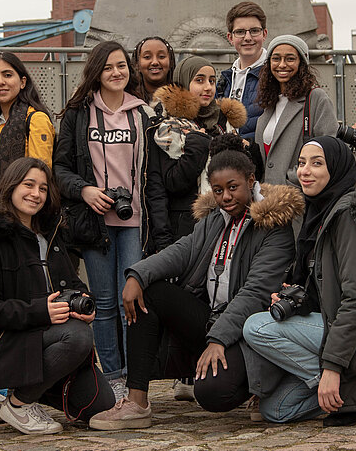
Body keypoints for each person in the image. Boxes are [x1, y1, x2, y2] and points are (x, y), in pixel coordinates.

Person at [87, 139, 302, 430]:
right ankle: (136, 402)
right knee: (151, 291)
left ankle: (264, 387)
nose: (225, 197)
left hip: (248, 332)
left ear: (251, 181)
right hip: (211, 318)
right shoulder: (216, 217)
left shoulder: (273, 226)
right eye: (218, 190)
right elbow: (183, 249)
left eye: (233, 187)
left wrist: (218, 339)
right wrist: (137, 275)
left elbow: (256, 292)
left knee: (212, 393)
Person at [243, 136, 356, 427]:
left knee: (256, 327)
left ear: (338, 169)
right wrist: (296, 298)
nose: (305, 171)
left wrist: (332, 368)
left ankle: (348, 385)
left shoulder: (349, 218)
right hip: (344, 328)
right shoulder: (319, 213)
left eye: (317, 164)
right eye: (301, 163)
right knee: (275, 410)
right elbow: (324, 285)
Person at [54, 40, 171, 402]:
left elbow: (157, 174)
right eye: (108, 67)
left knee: (130, 301)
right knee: (103, 302)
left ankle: (136, 379)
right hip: (95, 221)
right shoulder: (78, 114)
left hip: (135, 220)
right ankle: (115, 377)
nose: (116, 73)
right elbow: (60, 168)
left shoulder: (145, 115)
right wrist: (85, 190)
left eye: (122, 66)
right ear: (96, 72)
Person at [0, 157, 115, 435]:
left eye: (43, 188)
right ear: (11, 186)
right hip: (11, 342)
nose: (36, 194)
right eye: (28, 185)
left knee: (103, 406)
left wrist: (85, 302)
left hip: (51, 340)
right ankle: (19, 404)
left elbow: (73, 283)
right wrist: (40, 312)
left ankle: (26, 392)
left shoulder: (51, 236)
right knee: (79, 336)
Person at [151, 56, 247, 239]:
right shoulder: (169, 125)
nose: (208, 87)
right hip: (185, 224)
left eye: (211, 80)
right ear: (184, 81)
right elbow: (172, 182)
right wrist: (199, 144)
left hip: (224, 219)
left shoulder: (223, 122)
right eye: (199, 80)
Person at [256, 35, 338, 186]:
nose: (282, 65)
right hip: (265, 197)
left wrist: (291, 179)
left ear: (302, 63)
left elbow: (330, 151)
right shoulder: (269, 102)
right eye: (276, 58)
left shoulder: (316, 98)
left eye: (290, 59)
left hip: (296, 197)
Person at [0, 51, 54, 200]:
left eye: (7, 75)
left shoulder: (36, 119)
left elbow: (40, 175)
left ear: (23, 82)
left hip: (23, 209)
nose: (0, 82)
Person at [217, 1, 268, 141]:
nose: (247, 37)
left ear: (264, 34)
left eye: (254, 31)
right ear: (230, 38)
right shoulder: (224, 80)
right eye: (240, 32)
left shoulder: (274, 76)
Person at [132, 36, 175, 103]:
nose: (155, 62)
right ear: (137, 64)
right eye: (147, 57)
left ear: (171, 63)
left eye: (161, 56)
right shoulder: (129, 100)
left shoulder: (183, 101)